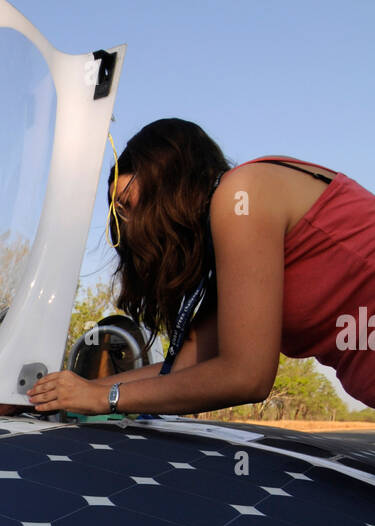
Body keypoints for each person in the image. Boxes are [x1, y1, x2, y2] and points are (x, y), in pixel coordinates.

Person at [19, 118, 375, 418]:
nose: (124, 226)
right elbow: (182, 374)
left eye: (126, 204)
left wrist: (102, 398)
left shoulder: (242, 194)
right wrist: (53, 396)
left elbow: (245, 376)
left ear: (168, 176)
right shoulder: (220, 257)